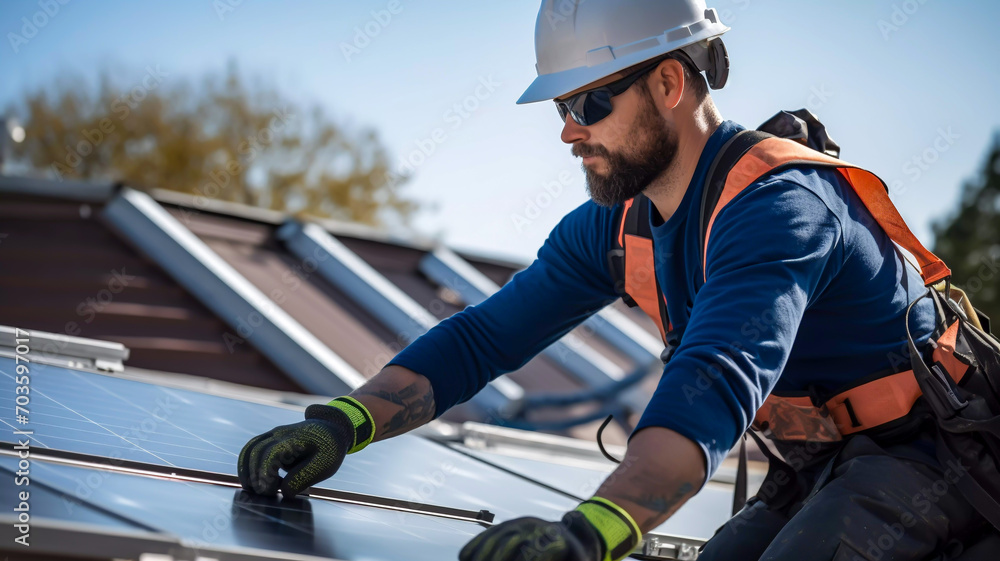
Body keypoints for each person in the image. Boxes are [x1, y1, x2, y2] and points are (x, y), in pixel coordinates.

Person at [238, 1, 992, 559]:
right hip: (820, 464)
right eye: (562, 108)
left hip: (933, 460)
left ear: (669, 82)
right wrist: (343, 422)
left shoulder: (781, 209)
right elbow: (484, 338)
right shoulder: (619, 226)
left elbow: (713, 381)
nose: (570, 130)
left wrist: (589, 533)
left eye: (590, 102)